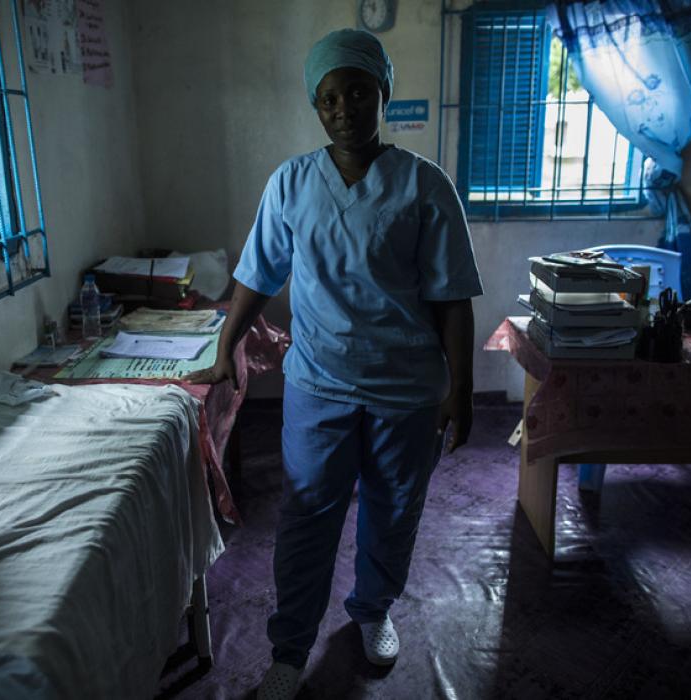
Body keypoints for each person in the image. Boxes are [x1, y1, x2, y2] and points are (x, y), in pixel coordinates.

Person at [186, 28, 482, 700]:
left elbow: (453, 300)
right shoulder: (292, 184)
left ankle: (372, 610)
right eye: (327, 99)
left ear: (382, 93)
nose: (343, 108)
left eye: (357, 91)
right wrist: (225, 343)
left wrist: (460, 393)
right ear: (315, 108)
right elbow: (257, 274)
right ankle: (290, 648)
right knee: (309, 512)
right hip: (320, 384)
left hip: (407, 390)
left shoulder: (424, 187)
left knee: (394, 508)